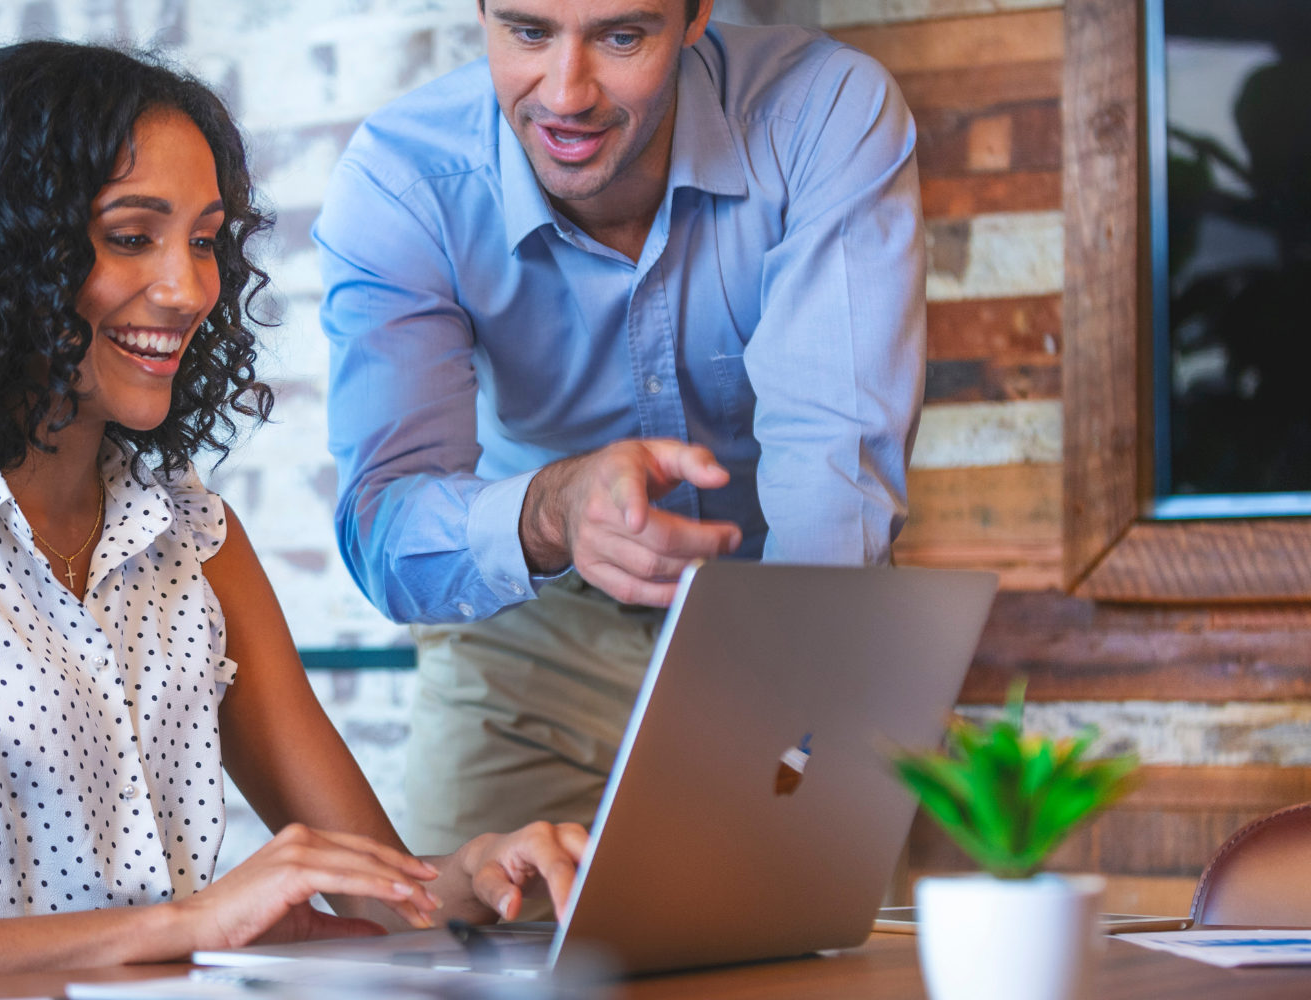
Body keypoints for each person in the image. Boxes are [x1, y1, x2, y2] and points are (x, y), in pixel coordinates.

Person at [0, 42, 586, 1000]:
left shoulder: (191, 538)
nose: (188, 289)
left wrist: (473, 879)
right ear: (4, 255)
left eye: (206, 240)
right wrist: (185, 928)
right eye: (132, 237)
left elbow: (385, 894)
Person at [316, 0, 925, 857]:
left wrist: (797, 731)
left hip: (778, 606)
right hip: (527, 632)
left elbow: (835, 474)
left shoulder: (821, 111)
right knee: (475, 967)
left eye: (621, 36)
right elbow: (384, 527)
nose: (566, 94)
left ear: (696, 14)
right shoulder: (403, 181)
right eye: (527, 33)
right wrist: (554, 511)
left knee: (810, 965)